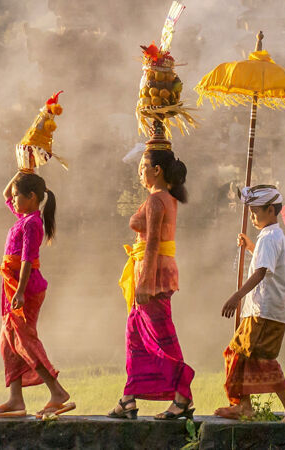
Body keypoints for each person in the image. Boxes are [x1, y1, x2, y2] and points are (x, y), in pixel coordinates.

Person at [111, 144, 196, 421]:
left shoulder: (157, 200)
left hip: (153, 276)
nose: (140, 174)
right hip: (151, 273)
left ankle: (182, 396)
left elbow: (152, 245)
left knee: (160, 337)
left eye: (142, 168)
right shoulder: (163, 198)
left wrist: (145, 284)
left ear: (157, 170)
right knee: (135, 336)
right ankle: (128, 399)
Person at [0, 172, 74, 419]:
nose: (12, 200)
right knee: (8, 340)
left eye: (17, 196)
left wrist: (22, 291)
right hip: (12, 286)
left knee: (24, 339)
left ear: (32, 197)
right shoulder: (23, 218)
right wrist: (22, 170)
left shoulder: (33, 223)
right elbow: (4, 194)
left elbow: (26, 260)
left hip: (26, 287)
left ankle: (57, 392)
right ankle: (15, 399)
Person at [215, 185, 285, 422]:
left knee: (259, 359)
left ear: (271, 210)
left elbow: (262, 271)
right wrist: (250, 246)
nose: (252, 216)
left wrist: (237, 295)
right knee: (239, 353)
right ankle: (244, 405)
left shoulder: (270, 237)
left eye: (256, 211)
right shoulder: (271, 236)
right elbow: (265, 262)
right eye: (251, 211)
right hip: (260, 310)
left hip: (263, 311)